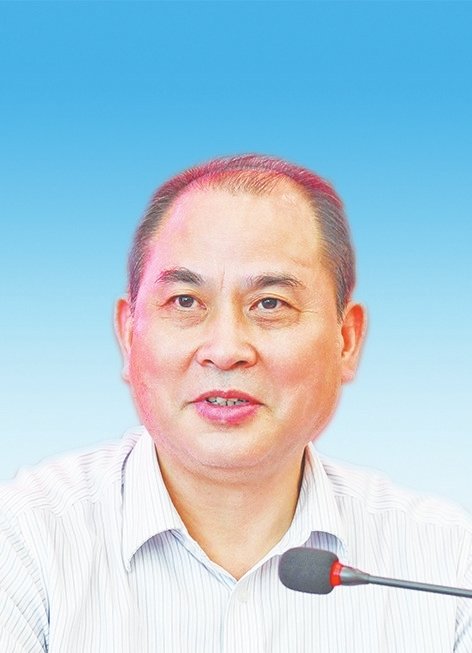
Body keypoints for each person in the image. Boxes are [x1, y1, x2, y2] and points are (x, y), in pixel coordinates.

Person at [0, 154, 471, 652]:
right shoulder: (27, 542)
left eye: (270, 304)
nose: (225, 350)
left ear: (347, 341)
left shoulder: (446, 562)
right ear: (128, 335)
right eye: (185, 301)